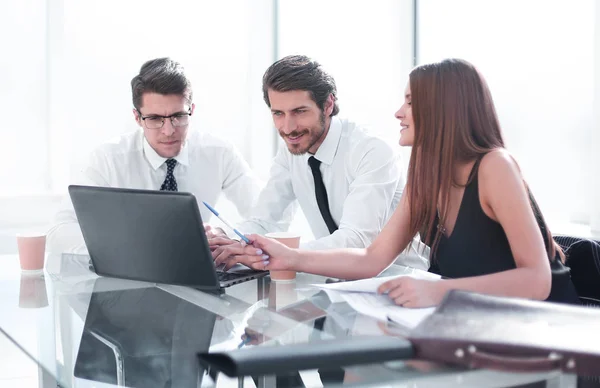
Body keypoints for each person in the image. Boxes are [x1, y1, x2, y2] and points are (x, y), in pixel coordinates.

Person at [222, 58, 580, 307]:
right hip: (477, 322)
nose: (398, 112)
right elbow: (371, 258)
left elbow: (537, 280)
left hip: (544, 334)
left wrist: (440, 293)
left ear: (443, 109)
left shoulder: (494, 167)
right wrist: (290, 257)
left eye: (410, 101)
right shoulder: (426, 173)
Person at [210, 55, 427, 270]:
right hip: (337, 282)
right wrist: (229, 240)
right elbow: (264, 220)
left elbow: (357, 239)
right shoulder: (291, 152)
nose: (288, 127)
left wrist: (288, 255)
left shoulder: (370, 150)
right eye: (278, 113)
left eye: (300, 111)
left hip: (400, 277)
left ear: (328, 104)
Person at [47, 57, 261, 254]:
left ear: (192, 110)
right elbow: (60, 232)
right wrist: (132, 242)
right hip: (130, 274)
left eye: (178, 116)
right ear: (137, 117)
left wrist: (227, 237)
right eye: (155, 118)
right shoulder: (108, 160)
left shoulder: (219, 153)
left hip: (196, 273)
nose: (168, 131)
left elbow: (266, 216)